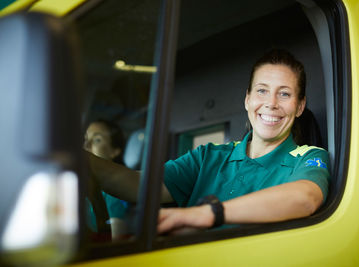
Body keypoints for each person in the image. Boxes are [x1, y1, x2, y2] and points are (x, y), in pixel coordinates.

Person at [87, 49, 330, 235]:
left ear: (300, 106)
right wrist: (82, 161)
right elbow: (137, 185)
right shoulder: (208, 156)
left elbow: (306, 198)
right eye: (262, 91)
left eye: (284, 93)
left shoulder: (309, 157)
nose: (271, 103)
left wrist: (209, 213)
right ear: (247, 100)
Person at [84, 119, 130, 240]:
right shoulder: (86, 185)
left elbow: (116, 241)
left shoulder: (114, 191)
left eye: (97, 140)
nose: (86, 145)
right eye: (85, 139)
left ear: (114, 151)